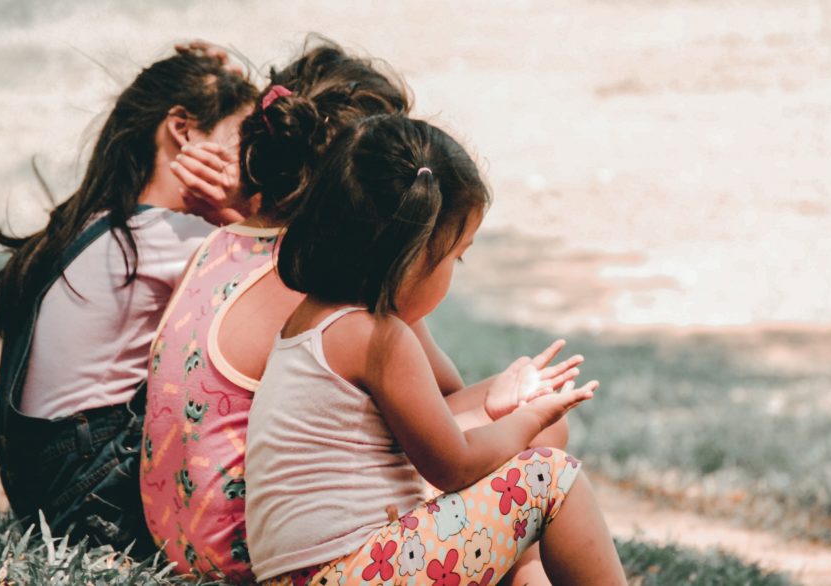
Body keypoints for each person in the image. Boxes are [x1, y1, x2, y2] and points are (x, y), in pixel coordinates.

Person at [146, 37, 584, 584]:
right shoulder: (352, 313)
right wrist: (523, 417)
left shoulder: (250, 257)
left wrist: (500, 402)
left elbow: (424, 405)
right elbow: (446, 446)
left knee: (519, 456)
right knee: (544, 459)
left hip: (198, 537)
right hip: (266, 557)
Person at [245, 114, 629, 585]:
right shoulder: (378, 338)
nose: (453, 270)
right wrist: (528, 419)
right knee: (550, 475)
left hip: (320, 573)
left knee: (529, 456)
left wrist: (497, 406)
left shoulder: (311, 321)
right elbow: (454, 465)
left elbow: (426, 436)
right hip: (354, 573)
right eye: (455, 256)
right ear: (412, 256)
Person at [0, 42, 258, 557]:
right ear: (183, 129)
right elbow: (290, 287)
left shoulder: (95, 223)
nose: (247, 163)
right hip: (94, 499)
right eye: (240, 139)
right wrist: (237, 213)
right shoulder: (172, 237)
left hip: (46, 491)